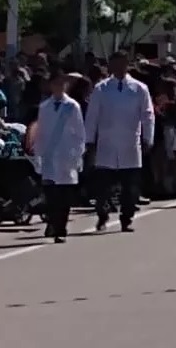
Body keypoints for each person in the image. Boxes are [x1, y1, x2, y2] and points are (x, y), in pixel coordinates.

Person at [84, 51, 155, 232]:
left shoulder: (139, 89)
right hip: (106, 143)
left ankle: (127, 218)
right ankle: (102, 215)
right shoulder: (101, 89)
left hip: (130, 143)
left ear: (127, 64)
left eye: (121, 64)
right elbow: (92, 116)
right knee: (103, 187)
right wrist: (89, 140)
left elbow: (148, 115)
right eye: (114, 64)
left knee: (130, 187)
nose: (118, 68)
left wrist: (148, 137)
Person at [33, 68, 86, 243]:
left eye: (62, 84)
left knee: (64, 197)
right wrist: (38, 156)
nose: (59, 87)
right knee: (51, 196)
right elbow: (40, 133)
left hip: (66, 155)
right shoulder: (44, 107)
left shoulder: (72, 106)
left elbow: (79, 133)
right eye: (56, 83)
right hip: (49, 156)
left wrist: (78, 155)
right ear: (50, 85)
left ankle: (60, 229)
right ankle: (53, 224)